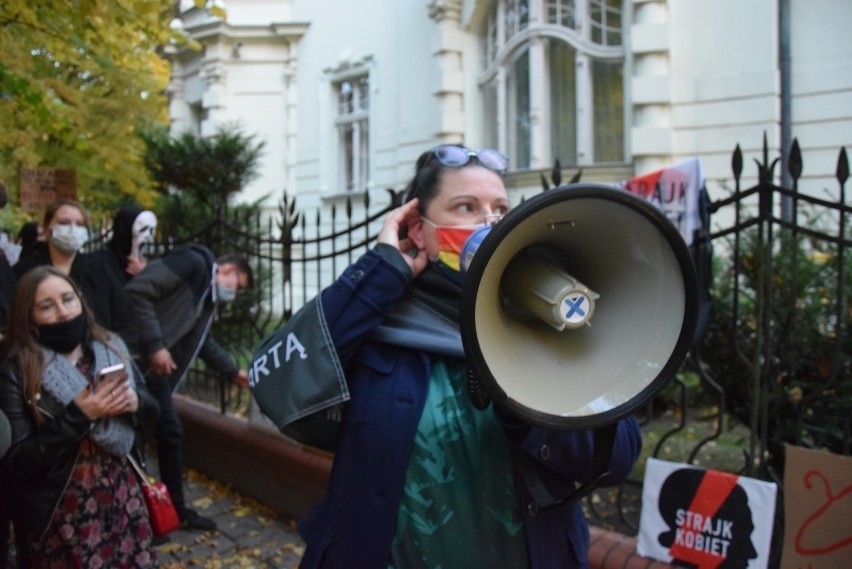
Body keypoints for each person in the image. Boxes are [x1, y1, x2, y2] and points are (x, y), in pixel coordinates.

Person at [291, 144, 643, 568]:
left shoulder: (551, 319)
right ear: (419, 230)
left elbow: (617, 455)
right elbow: (288, 384)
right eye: (466, 207)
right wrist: (380, 271)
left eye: (501, 207)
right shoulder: (374, 322)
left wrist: (528, 406)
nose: (491, 221)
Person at [0, 266, 160, 567]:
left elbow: (153, 418)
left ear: (81, 301)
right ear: (29, 318)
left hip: (122, 502)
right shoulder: (18, 371)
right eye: (47, 306)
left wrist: (136, 403)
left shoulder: (111, 348)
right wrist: (80, 415)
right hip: (60, 516)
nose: (63, 312)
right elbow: (16, 462)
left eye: (68, 299)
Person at [123, 245, 253, 531]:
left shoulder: (206, 299)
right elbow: (139, 290)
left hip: (153, 374)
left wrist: (232, 373)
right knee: (163, 434)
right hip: (137, 362)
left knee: (158, 435)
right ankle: (152, 512)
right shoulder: (194, 264)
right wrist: (156, 346)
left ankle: (159, 510)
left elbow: (201, 341)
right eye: (237, 285)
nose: (235, 293)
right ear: (228, 270)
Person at [12, 199, 132, 335]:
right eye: (64, 223)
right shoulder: (23, 272)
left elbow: (124, 318)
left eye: (80, 224)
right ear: (46, 229)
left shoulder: (98, 270)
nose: (73, 229)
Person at [92, 205, 158, 284]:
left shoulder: (146, 266)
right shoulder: (99, 263)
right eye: (143, 229)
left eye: (151, 230)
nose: (148, 236)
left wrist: (143, 273)